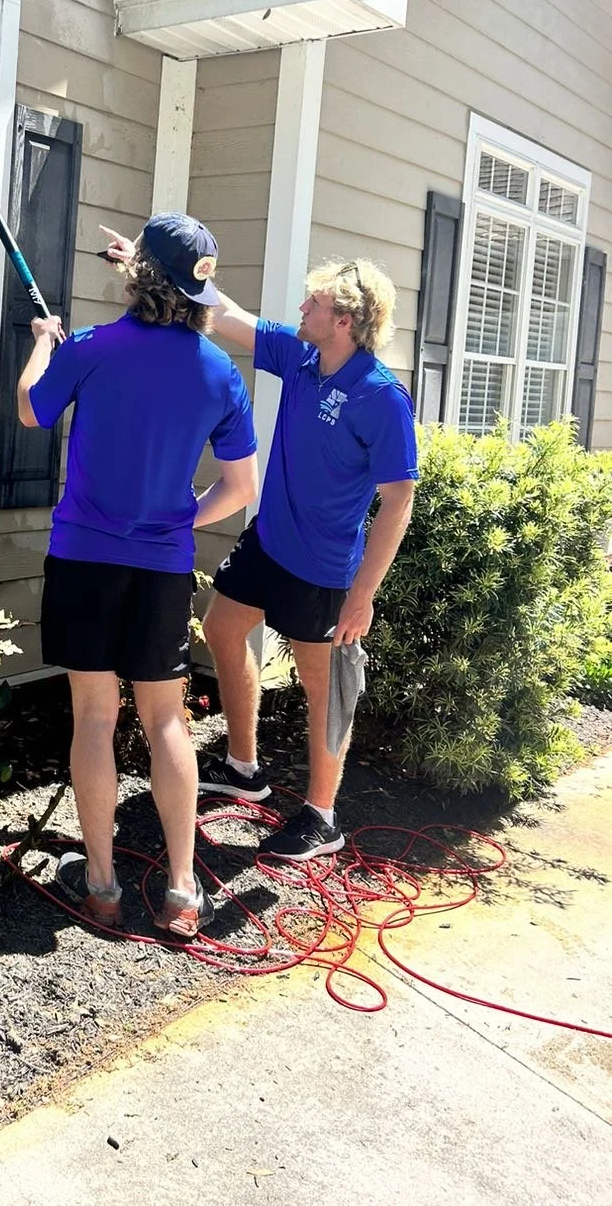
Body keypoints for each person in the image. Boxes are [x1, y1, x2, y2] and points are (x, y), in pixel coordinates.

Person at [18, 214, 258, 939]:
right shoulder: (220, 372)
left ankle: (100, 884)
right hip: (160, 570)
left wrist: (41, 349)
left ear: (137, 274)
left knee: (94, 716)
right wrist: (182, 519)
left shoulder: (89, 347)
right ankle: (184, 890)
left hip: (84, 562)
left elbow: (33, 409)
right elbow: (240, 486)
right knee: (165, 722)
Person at [185, 257, 419, 862]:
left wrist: (362, 595)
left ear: (343, 319)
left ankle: (321, 815)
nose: (301, 312)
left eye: (312, 305)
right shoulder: (301, 357)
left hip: (322, 567)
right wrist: (158, 264)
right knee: (221, 627)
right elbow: (228, 314)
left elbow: (398, 502)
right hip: (270, 540)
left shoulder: (381, 396)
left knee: (325, 689)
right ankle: (244, 768)